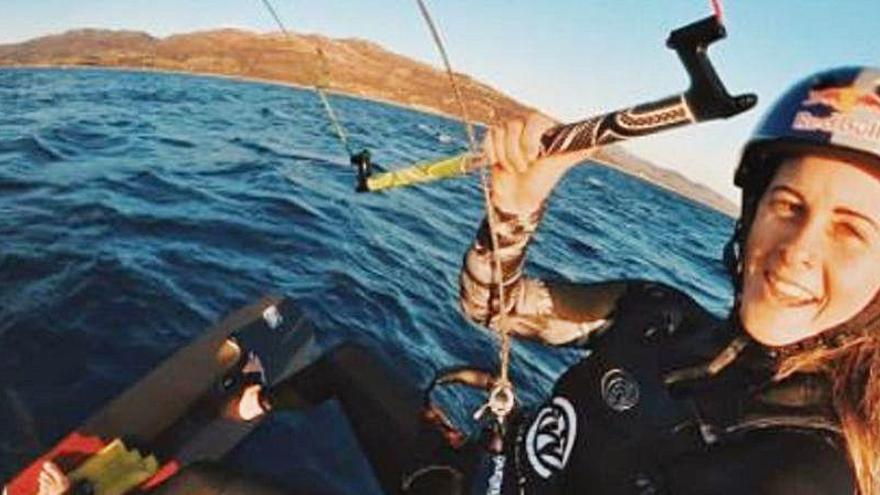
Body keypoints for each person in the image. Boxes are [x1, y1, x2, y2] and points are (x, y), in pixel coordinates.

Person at [34, 66, 880, 494]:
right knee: (347, 359)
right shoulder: (656, 316)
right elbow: (487, 306)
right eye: (788, 204)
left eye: (853, 229)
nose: (800, 248)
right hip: (473, 473)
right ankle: (251, 405)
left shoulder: (812, 466)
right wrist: (515, 209)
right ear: (751, 211)